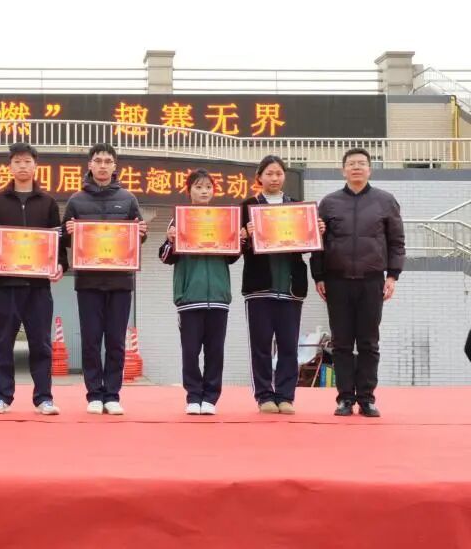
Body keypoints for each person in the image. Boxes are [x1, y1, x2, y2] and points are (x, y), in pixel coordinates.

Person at [311, 148, 405, 417]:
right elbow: (317, 242)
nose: (356, 167)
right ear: (343, 170)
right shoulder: (329, 203)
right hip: (337, 281)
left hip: (371, 281)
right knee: (341, 343)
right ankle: (344, 398)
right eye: (351, 164)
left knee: (368, 342)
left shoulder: (385, 201)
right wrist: (319, 276)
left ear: (369, 169)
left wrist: (392, 275)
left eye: (361, 163)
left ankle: (366, 398)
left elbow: (396, 242)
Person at [0, 142, 67, 415]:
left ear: (35, 166)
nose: (23, 166)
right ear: (10, 167)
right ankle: (1, 397)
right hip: (7, 284)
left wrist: (61, 264)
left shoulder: (48, 203)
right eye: (17, 161)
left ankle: (44, 398)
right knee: (4, 342)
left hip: (39, 286)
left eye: (27, 161)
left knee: (41, 343)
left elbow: (57, 241)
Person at [61, 143, 147, 415]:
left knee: (116, 341)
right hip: (88, 282)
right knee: (90, 340)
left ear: (114, 166)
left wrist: (141, 232)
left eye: (107, 161)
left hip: (120, 282)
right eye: (97, 160)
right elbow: (63, 238)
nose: (102, 165)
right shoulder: (76, 200)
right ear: (89, 165)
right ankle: (94, 395)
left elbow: (138, 236)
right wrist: (68, 231)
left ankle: (112, 394)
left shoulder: (128, 199)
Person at [240, 155, 325, 415]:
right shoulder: (248, 206)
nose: (274, 178)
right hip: (259, 287)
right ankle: (264, 395)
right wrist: (245, 236)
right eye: (269, 173)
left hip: (290, 287)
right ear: (259, 177)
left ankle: (286, 396)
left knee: (289, 345)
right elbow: (236, 247)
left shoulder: (297, 208)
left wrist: (317, 232)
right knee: (261, 345)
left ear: (284, 176)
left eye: (278, 173)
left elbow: (309, 247)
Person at [159, 169, 238, 415]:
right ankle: (193, 396)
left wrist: (239, 238)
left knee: (215, 351)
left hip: (219, 297)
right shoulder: (179, 220)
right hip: (189, 298)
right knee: (190, 351)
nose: (204, 192)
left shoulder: (224, 219)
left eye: (208, 187)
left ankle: (210, 398)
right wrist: (171, 240)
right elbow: (165, 257)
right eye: (198, 187)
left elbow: (232, 256)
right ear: (189, 191)